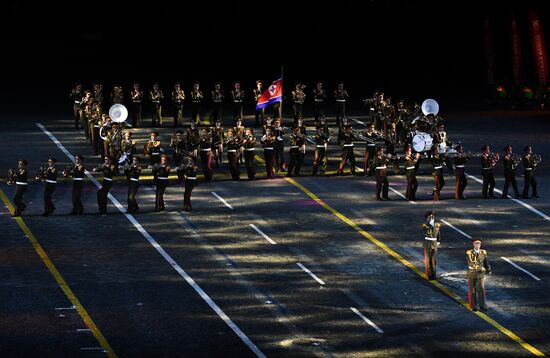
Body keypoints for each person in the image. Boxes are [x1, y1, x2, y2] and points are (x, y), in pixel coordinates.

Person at [466, 239, 491, 312]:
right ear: (473, 244)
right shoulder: (469, 253)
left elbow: (486, 262)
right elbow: (471, 263)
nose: (477, 245)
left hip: (480, 273)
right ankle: (473, 305)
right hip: (472, 272)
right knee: (472, 290)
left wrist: (488, 269)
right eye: (476, 244)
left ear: (480, 245)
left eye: (478, 244)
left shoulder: (483, 252)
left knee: (481, 290)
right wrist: (480, 268)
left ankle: (482, 305)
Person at [422, 211, 441, 280]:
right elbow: (426, 232)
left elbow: (438, 234)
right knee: (428, 260)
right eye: (430, 217)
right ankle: (430, 275)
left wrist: (438, 241)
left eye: (432, 217)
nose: (432, 218)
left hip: (434, 243)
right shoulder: (425, 225)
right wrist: (430, 223)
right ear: (427, 219)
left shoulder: (437, 225)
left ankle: (434, 274)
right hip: (427, 243)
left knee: (433, 260)